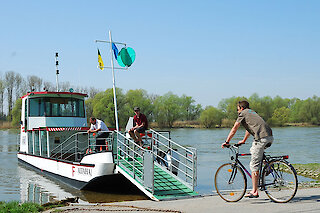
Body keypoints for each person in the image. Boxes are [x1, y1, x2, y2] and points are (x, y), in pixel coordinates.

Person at [221, 100, 273, 198]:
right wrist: (244, 140)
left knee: (254, 165)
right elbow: (250, 129)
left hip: (261, 138)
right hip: (269, 136)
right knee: (253, 151)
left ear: (241, 108)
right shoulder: (252, 112)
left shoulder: (243, 113)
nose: (237, 112)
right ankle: (268, 165)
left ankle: (254, 191)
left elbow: (235, 128)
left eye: (238, 109)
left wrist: (227, 141)